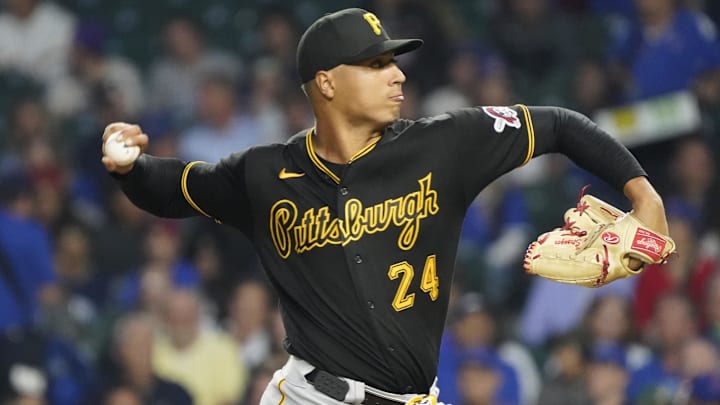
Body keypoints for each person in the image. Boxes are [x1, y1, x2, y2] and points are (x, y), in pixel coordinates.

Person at [101, 7, 671, 405]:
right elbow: (175, 189)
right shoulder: (265, 174)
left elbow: (560, 125)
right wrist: (128, 166)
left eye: (394, 62)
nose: (397, 73)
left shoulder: (444, 144)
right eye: (375, 64)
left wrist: (642, 194)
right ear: (325, 83)